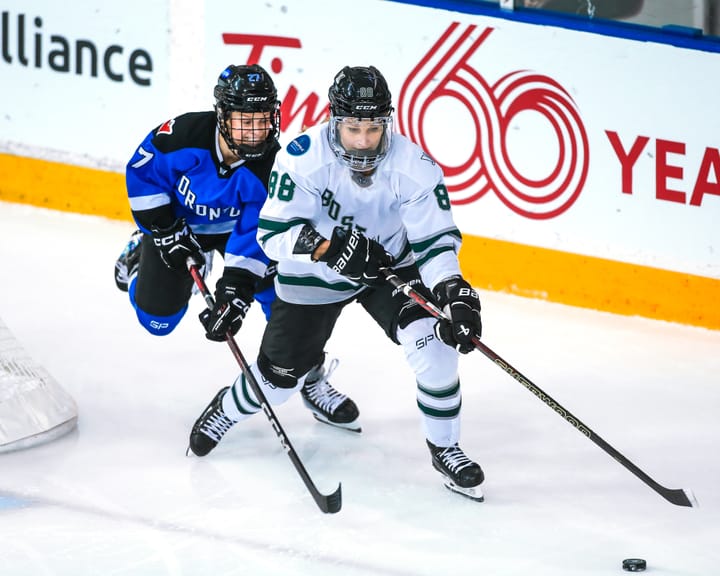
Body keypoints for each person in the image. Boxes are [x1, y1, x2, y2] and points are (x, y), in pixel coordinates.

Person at [188, 65, 485, 501]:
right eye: (352, 128)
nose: (364, 141)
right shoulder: (302, 157)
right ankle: (227, 409)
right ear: (334, 121)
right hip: (314, 274)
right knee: (278, 382)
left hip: (387, 269)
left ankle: (446, 447)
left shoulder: (415, 166)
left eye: (373, 128)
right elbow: (272, 235)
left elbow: (434, 240)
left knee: (435, 349)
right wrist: (330, 249)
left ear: (387, 121)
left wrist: (453, 291)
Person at [113, 63, 359, 432]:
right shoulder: (183, 135)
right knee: (157, 320)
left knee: (288, 299)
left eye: (262, 119)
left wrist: (236, 290)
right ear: (222, 116)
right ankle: (137, 259)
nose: (256, 130)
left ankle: (311, 374)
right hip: (181, 226)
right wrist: (163, 231)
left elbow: (259, 230)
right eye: (245, 120)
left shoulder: (274, 165)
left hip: (236, 235)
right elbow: (142, 173)